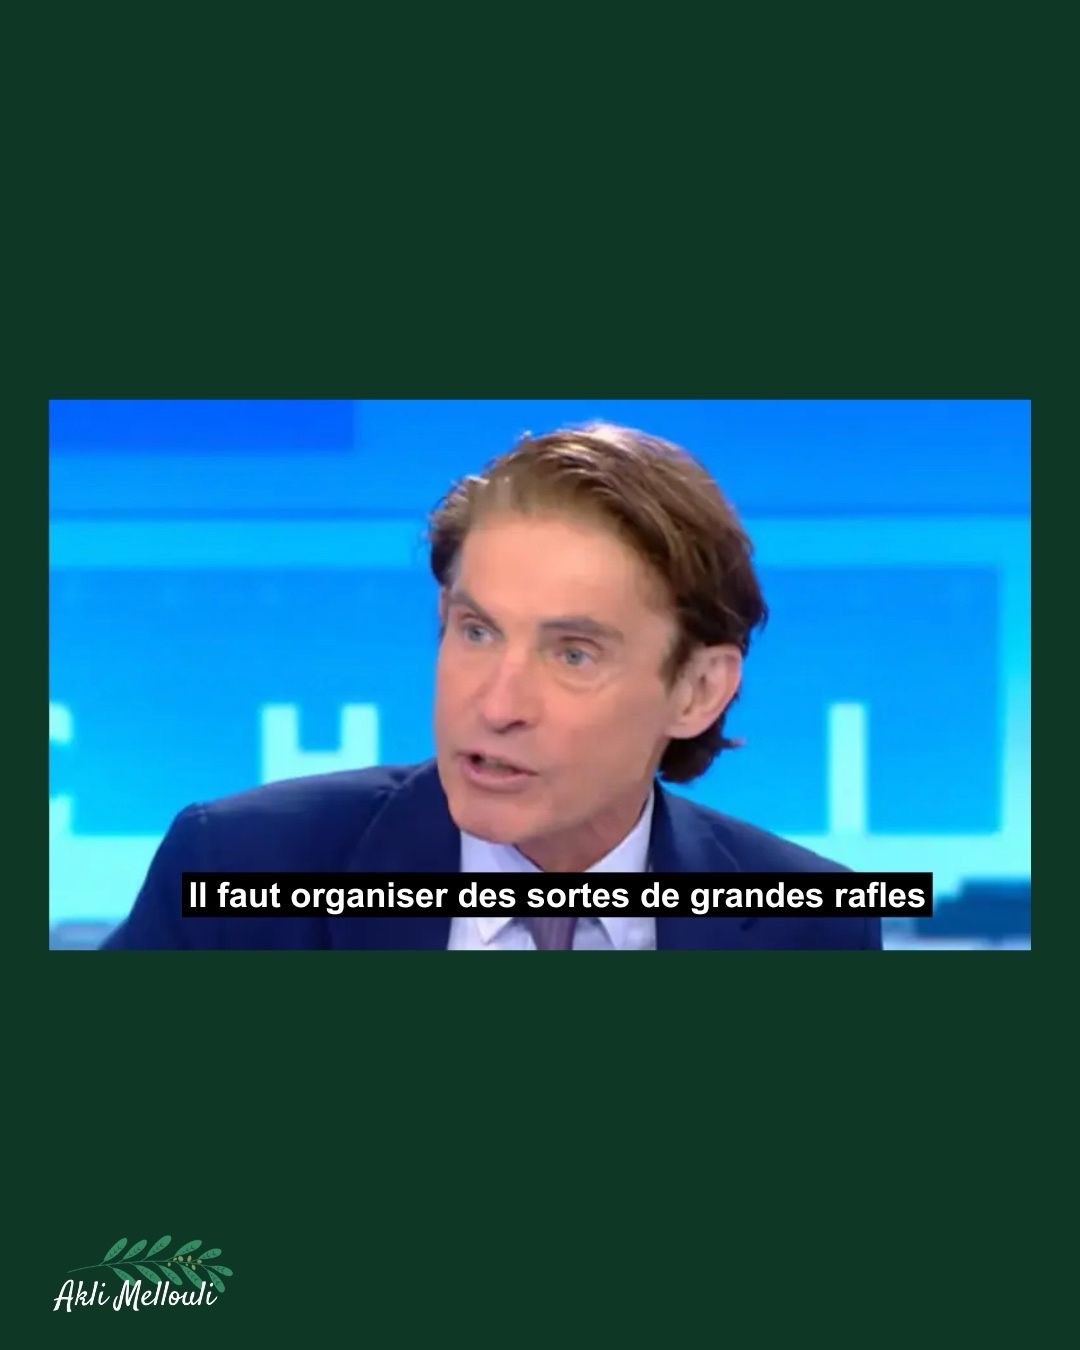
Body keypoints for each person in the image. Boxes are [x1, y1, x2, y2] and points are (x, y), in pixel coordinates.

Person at [102, 422, 880, 951]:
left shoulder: (808, 925)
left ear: (697, 691)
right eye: (477, 632)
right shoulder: (237, 873)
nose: (498, 705)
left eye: (573, 655)